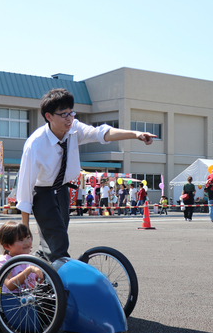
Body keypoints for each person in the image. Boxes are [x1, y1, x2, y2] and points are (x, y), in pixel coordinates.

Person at [16, 88, 156, 262]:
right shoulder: (36, 145)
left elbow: (101, 133)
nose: (69, 118)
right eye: (63, 114)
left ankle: (40, 276)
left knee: (52, 242)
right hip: (42, 192)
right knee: (59, 241)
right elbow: (25, 188)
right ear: (49, 116)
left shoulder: (74, 129)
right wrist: (24, 229)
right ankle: (62, 283)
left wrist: (135, 134)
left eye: (71, 112)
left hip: (62, 190)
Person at [0, 221, 44, 292]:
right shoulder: (4, 261)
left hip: (29, 299)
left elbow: (39, 280)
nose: (27, 242)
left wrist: (41, 276)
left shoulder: (29, 260)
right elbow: (9, 285)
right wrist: (29, 270)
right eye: (21, 240)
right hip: (9, 301)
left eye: (28, 237)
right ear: (7, 246)